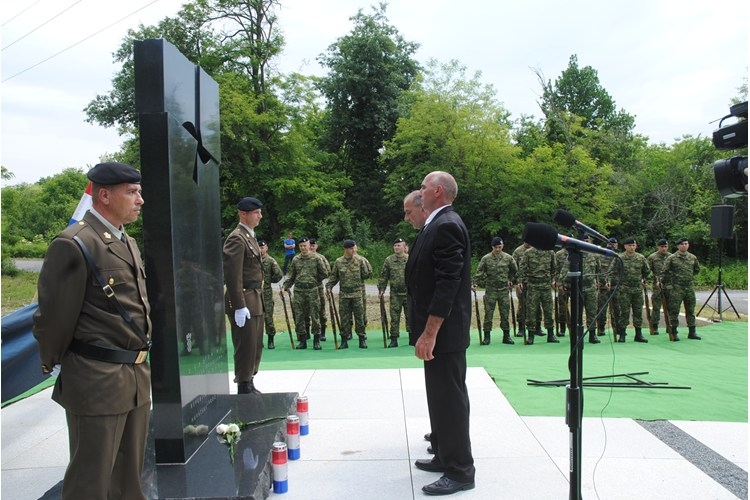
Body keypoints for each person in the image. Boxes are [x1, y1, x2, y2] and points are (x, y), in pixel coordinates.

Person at [33, 162, 152, 500]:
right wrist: (53, 359)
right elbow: (55, 315)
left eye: (138, 191)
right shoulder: (75, 243)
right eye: (131, 192)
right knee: (91, 480)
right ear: (103, 195)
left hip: (134, 375)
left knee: (128, 480)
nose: (140, 199)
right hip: (96, 378)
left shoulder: (125, 240)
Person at [407, 171, 475, 495]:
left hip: (445, 334)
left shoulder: (447, 224)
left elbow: (448, 284)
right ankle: (445, 454)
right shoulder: (435, 222)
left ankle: (460, 471)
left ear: (437, 191)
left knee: (450, 401)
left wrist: (430, 332)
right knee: (440, 398)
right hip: (439, 332)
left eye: (422, 187)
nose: (418, 192)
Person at [223, 197, 265, 394]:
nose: (260, 216)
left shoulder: (249, 236)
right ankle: (243, 384)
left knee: (255, 345)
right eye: (256, 212)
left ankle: (249, 380)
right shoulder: (237, 238)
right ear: (243, 214)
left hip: (255, 297)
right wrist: (238, 305)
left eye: (259, 212)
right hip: (245, 298)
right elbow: (233, 276)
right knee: (245, 346)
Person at [283, 237, 329, 349]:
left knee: (315, 315)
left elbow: (325, 273)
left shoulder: (317, 258)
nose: (303, 248)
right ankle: (302, 340)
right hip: (299, 291)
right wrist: (285, 286)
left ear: (309, 246)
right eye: (301, 246)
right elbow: (291, 275)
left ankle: (316, 340)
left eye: (305, 245)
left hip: (312, 290)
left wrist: (314, 280)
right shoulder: (295, 259)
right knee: (299, 316)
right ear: (299, 247)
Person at [326, 239, 373, 349]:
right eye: (351, 248)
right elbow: (334, 277)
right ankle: (344, 340)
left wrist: (364, 263)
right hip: (344, 295)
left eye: (354, 248)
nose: (353, 250)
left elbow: (366, 275)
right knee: (344, 318)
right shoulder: (339, 262)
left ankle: (362, 339)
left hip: (357, 293)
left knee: (359, 317)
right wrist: (329, 287)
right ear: (346, 249)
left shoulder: (359, 260)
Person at [556, 235, 602, 344]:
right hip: (576, 287)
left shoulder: (594, 256)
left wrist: (602, 281)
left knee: (591, 310)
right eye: (583, 241)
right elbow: (564, 270)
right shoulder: (574, 255)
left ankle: (592, 334)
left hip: (590, 287)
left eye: (587, 241)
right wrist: (560, 283)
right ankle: (577, 335)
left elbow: (599, 270)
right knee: (577, 312)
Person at [472, 236, 517, 345]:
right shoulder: (486, 258)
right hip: (491, 289)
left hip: (503, 289)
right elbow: (480, 272)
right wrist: (474, 283)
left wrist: (511, 280)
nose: (498, 249)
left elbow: (515, 270)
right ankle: (487, 336)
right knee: (489, 313)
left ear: (502, 246)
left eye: (500, 247)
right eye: (496, 247)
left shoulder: (508, 258)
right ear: (492, 247)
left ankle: (506, 336)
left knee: (505, 313)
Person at [658, 237, 701, 341]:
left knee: (690, 310)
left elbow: (696, 270)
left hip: (689, 287)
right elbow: (664, 272)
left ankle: (692, 331)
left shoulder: (692, 257)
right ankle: (674, 331)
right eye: (682, 244)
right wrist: (662, 282)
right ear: (678, 246)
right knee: (674, 311)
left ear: (688, 245)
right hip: (676, 288)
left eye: (686, 244)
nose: (684, 246)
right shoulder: (672, 258)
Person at [609, 237, 650, 343]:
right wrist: (615, 282)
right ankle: (622, 334)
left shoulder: (641, 258)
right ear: (625, 246)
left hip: (637, 289)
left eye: (633, 245)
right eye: (630, 245)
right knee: (624, 312)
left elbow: (647, 271)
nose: (632, 247)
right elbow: (612, 272)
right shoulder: (619, 257)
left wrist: (644, 279)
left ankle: (638, 334)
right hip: (624, 289)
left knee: (638, 312)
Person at [517, 243, 558, 344]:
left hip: (546, 286)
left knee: (548, 310)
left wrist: (554, 280)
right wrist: (520, 282)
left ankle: (551, 334)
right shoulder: (528, 253)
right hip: (533, 286)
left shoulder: (550, 252)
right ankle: (531, 335)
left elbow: (554, 268)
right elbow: (522, 268)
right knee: (531, 311)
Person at [378, 237, 410, 347]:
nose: (396, 247)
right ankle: (394, 338)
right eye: (395, 246)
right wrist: (381, 289)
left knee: (410, 316)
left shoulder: (409, 259)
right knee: (394, 317)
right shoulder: (389, 260)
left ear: (404, 247)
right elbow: (384, 276)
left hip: (408, 293)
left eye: (399, 245)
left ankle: (412, 337)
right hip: (395, 294)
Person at [259, 239, 283, 349]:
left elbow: (278, 274)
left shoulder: (270, 261)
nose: (260, 249)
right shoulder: (253, 260)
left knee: (268, 317)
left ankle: (270, 339)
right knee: (257, 317)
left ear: (266, 248)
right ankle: (258, 341)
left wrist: (269, 282)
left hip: (267, 292)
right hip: (255, 292)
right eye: (258, 247)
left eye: (262, 247)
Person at [309, 238, 331, 341]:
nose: (312, 247)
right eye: (310, 245)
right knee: (306, 311)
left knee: (321, 310)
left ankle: (322, 332)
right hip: (306, 289)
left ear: (316, 246)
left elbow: (327, 271)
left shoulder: (321, 258)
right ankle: (305, 332)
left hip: (318, 287)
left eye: (314, 245)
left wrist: (316, 279)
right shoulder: (301, 258)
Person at [596, 237, 619, 336]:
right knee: (602, 308)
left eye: (614, 244)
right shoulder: (601, 256)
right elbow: (597, 271)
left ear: (617, 245)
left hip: (616, 286)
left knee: (617, 308)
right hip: (603, 287)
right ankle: (601, 327)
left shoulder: (619, 257)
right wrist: (600, 281)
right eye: (610, 244)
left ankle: (617, 327)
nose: (612, 246)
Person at [647, 238, 670, 335]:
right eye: (662, 247)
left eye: (665, 247)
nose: (664, 249)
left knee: (671, 307)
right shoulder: (653, 257)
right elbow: (647, 270)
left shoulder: (671, 257)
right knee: (656, 307)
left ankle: (670, 325)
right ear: (658, 247)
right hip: (657, 285)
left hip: (670, 285)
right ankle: (655, 326)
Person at [511, 242, 531, 337]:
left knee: (535, 306)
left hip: (534, 282)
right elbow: (513, 268)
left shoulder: (537, 250)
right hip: (522, 283)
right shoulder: (518, 251)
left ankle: (536, 327)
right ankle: (521, 328)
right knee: (522, 306)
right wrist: (515, 282)